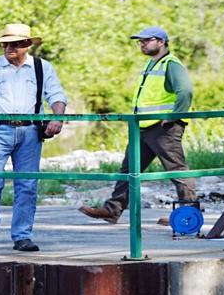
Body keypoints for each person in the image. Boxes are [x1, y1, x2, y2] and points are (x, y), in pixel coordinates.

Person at [0, 23, 68, 252]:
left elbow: (57, 95)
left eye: (15, 43)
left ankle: (22, 236)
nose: (8, 47)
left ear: (27, 45)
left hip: (30, 131)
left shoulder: (42, 67)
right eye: (5, 43)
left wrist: (57, 118)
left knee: (27, 185)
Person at [79, 26, 197, 226]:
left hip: (163, 128)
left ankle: (188, 215)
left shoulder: (171, 64)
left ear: (161, 42)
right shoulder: (151, 64)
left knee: (176, 170)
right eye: (139, 41)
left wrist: (174, 115)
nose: (141, 44)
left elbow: (185, 91)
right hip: (143, 127)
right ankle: (112, 210)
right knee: (129, 169)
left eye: (146, 40)